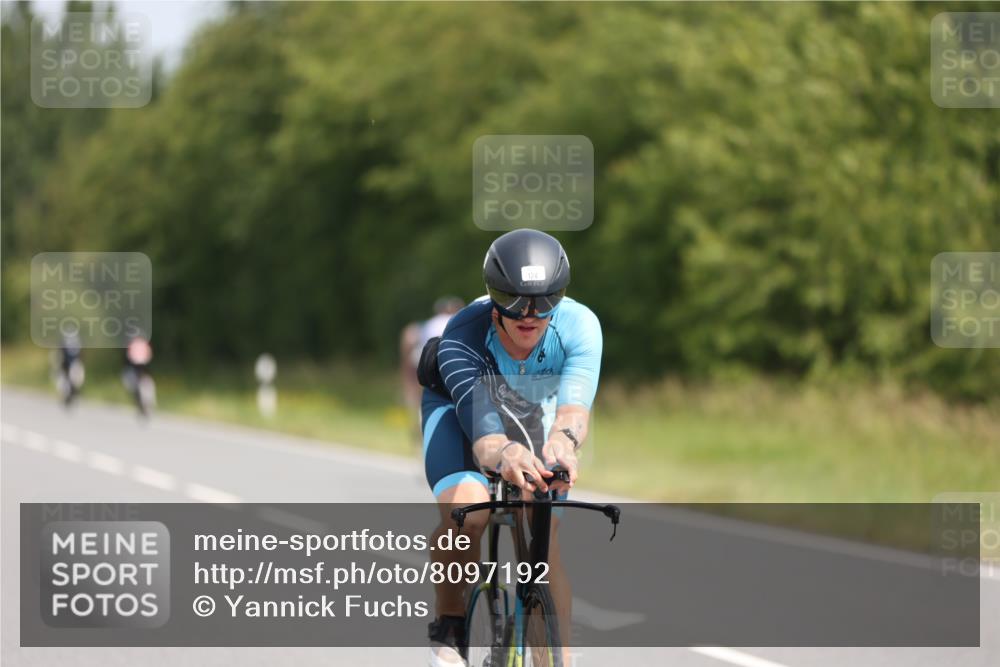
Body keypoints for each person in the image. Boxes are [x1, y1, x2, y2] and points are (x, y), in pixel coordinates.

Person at [420, 229, 602, 667]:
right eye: (513, 299)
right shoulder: (463, 333)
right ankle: (450, 622)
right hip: (462, 413)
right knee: (469, 513)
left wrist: (563, 444)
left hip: (532, 412)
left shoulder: (579, 326)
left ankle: (555, 658)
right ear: (492, 296)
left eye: (545, 300)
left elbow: (572, 412)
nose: (530, 315)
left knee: (543, 534)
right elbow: (486, 439)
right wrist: (506, 454)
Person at [401, 297, 464, 433]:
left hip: (424, 360)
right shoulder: (458, 321)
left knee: (422, 394)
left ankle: (422, 422)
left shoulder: (428, 323)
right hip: (449, 361)